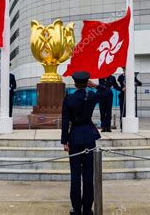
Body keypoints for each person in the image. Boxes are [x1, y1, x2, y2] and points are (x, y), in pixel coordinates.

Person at [61, 71, 106, 215]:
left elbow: (65, 122)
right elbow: (108, 93)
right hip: (88, 136)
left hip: (74, 137)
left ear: (75, 83)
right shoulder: (92, 96)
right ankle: (87, 209)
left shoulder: (69, 99)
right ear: (87, 83)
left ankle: (76, 209)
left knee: (75, 175)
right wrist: (95, 85)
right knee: (88, 175)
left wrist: (64, 141)